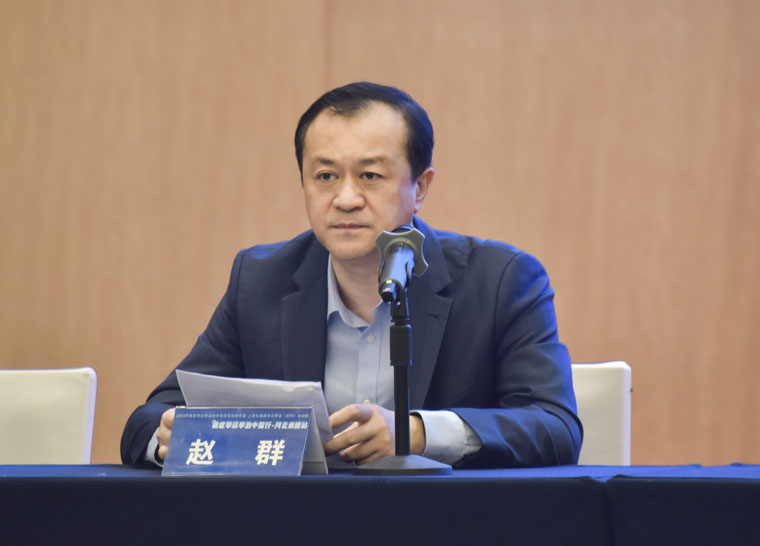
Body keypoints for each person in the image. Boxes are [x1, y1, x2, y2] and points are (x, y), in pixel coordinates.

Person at [121, 82, 582, 469]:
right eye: (325, 177)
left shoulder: (500, 281)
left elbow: (555, 427)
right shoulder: (261, 281)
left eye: (370, 176)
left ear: (420, 187)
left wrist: (417, 433)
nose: (345, 199)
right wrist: (168, 438)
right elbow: (149, 420)